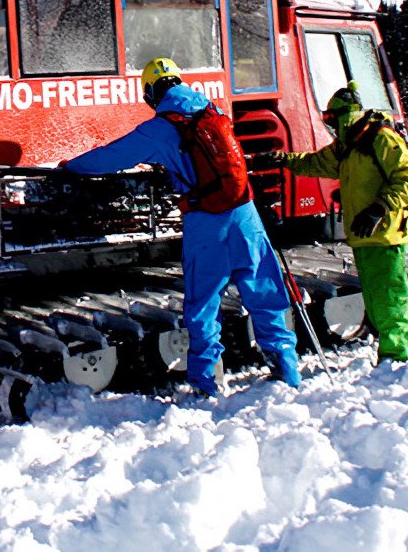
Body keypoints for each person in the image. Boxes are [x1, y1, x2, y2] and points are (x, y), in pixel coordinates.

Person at [62, 58, 302, 395]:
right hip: (246, 213)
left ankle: (206, 384)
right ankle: (286, 372)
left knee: (204, 303)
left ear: (150, 93)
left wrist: (70, 167)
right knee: (265, 291)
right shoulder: (213, 112)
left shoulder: (161, 128)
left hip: (207, 220)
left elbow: (111, 157)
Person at [251, 83, 408, 363]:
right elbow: (315, 163)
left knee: (387, 302)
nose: (331, 126)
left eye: (331, 120)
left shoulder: (380, 139)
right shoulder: (348, 146)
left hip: (386, 236)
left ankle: (396, 359)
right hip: (364, 237)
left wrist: (379, 208)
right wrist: (283, 160)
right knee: (379, 300)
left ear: (343, 116)